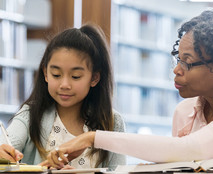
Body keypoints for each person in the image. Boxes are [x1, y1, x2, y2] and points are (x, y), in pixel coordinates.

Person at [45, 8, 213, 167]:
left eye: (188, 62)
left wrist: (92, 138)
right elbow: (181, 161)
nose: (176, 70)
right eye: (178, 59)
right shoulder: (184, 112)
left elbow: (187, 148)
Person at [0, 24, 126, 170]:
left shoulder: (112, 121)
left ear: (94, 78)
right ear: (46, 73)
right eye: (56, 75)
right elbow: (7, 142)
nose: (64, 84)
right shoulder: (30, 114)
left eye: (75, 76)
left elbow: (119, 171)